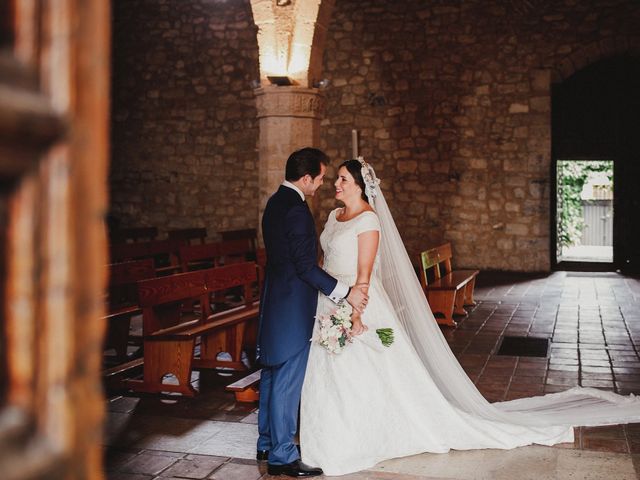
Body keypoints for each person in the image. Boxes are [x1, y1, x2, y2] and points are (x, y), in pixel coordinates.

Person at [299, 158, 640, 476]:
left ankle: (369, 431)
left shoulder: (369, 220)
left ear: (359, 184)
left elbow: (365, 272)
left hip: (359, 303)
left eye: (342, 179)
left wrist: (356, 313)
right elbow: (324, 259)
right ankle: (338, 431)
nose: (336, 185)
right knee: (332, 368)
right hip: (328, 300)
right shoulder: (333, 217)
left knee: (373, 366)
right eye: (337, 179)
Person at [257, 148, 369, 478]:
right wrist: (347, 293)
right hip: (293, 306)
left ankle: (265, 441)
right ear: (306, 178)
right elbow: (305, 267)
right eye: (319, 178)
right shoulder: (297, 211)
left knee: (271, 375)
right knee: (287, 381)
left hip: (275, 300)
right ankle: (282, 456)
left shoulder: (275, 202)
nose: (321, 185)